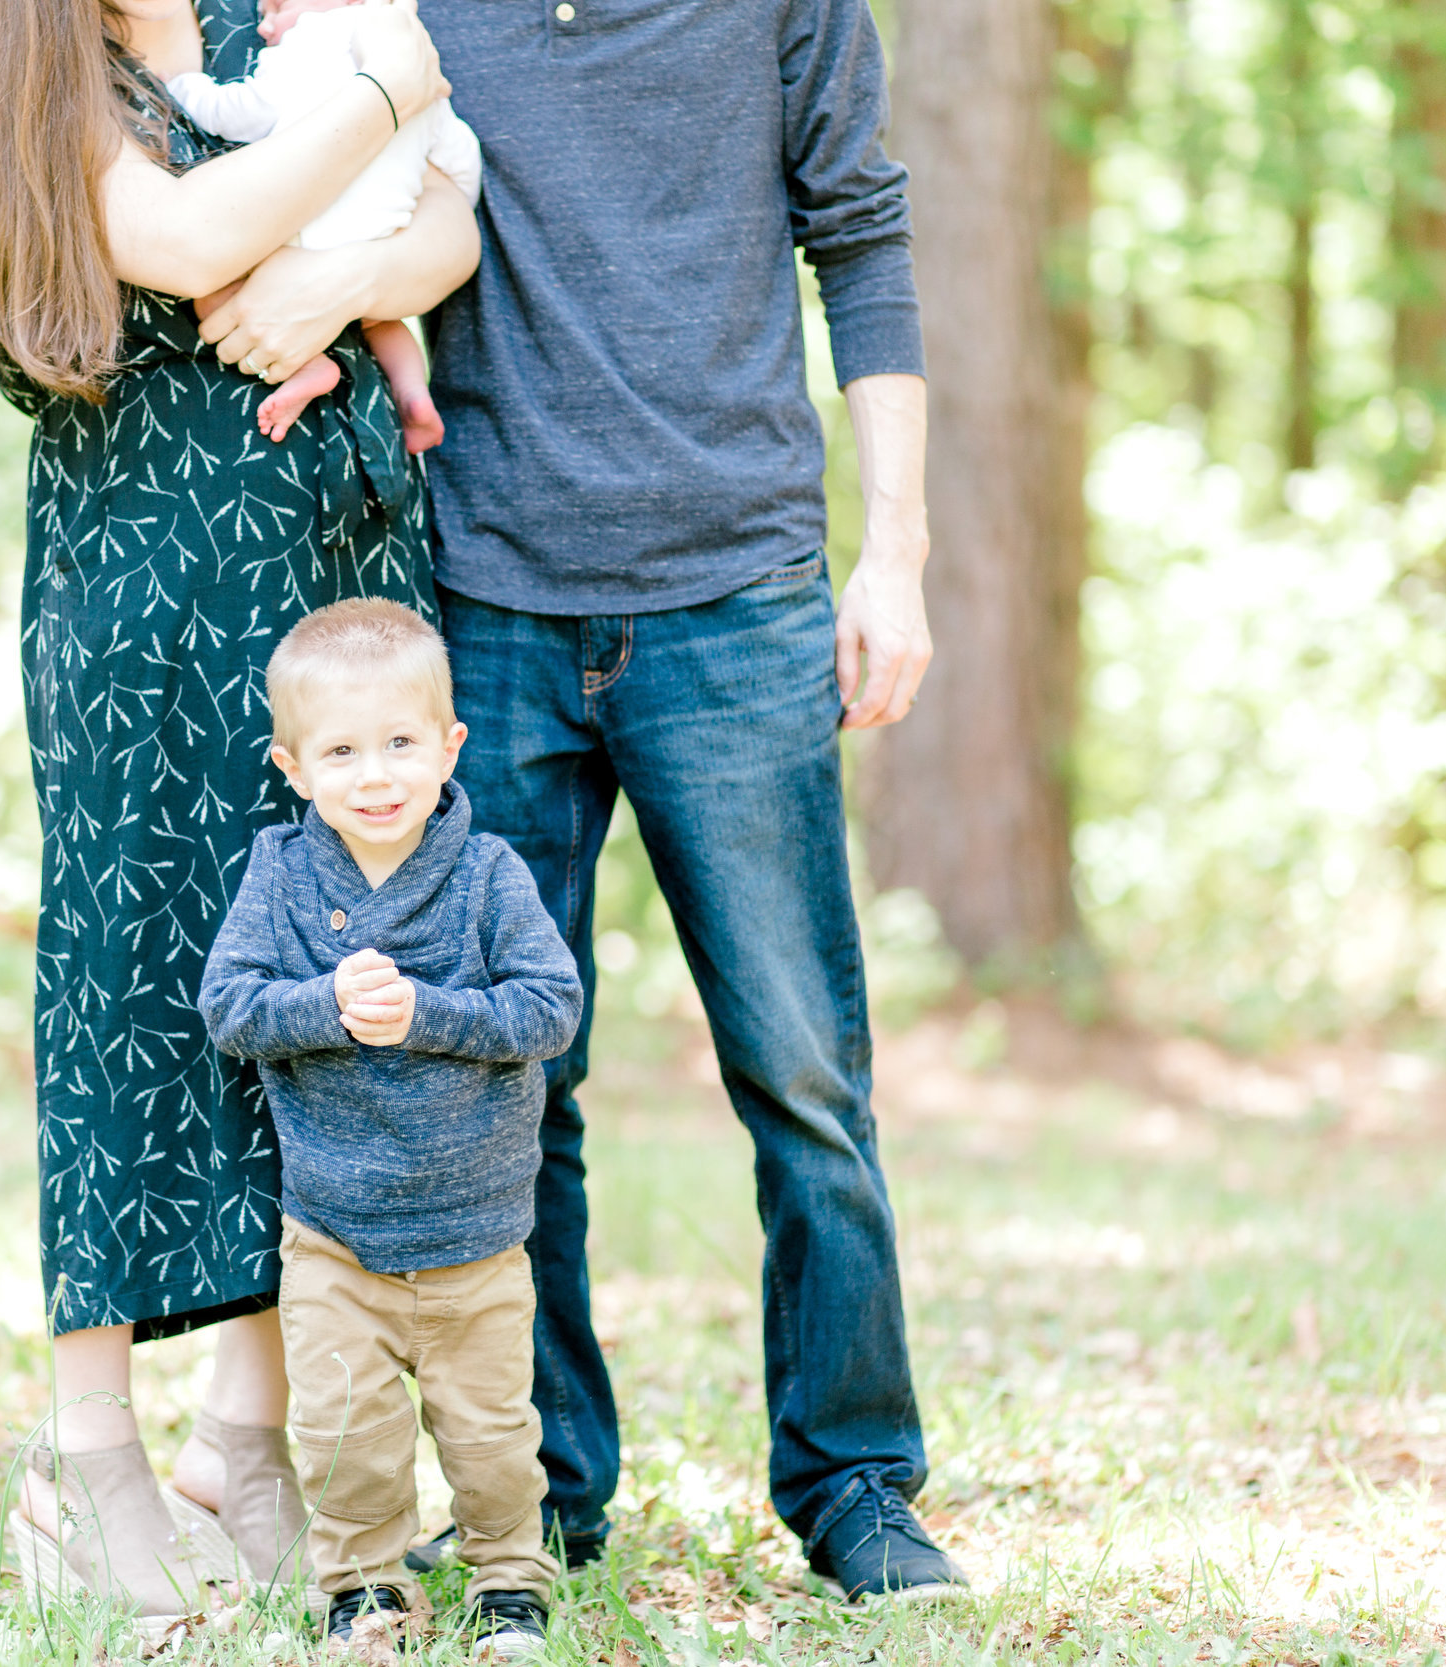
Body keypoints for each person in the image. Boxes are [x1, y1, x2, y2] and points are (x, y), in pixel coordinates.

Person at [0, 0, 478, 1616]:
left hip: (330, 589)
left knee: (311, 992)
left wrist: (351, 268)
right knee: (136, 989)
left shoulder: (250, 21)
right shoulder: (27, 54)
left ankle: (249, 1436)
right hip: (149, 594)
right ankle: (87, 1456)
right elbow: (195, 228)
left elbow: (453, 224)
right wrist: (389, 80)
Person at [395, 0, 968, 1605]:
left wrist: (898, 551)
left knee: (801, 1069)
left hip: (738, 594)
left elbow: (860, 236)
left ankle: (857, 1483)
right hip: (486, 597)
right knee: (513, 1073)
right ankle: (543, 1491)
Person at [199, 598, 580, 1655]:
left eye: (402, 742)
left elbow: (552, 1009)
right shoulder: (280, 874)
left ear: (449, 743)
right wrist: (324, 1003)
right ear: (292, 764)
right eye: (342, 749)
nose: (376, 774)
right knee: (344, 1434)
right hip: (334, 1230)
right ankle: (363, 1586)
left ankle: (508, 1576)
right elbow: (228, 1006)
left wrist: (429, 1012)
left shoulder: (487, 874)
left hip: (475, 1234)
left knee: (493, 1437)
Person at [166, 0, 482, 453]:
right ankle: (412, 392)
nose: (266, 23)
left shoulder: (309, 40)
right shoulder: (415, 59)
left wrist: (186, 88)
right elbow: (460, 155)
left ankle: (309, 366)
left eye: (276, 7)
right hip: (385, 235)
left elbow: (244, 111)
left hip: (299, 234)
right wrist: (442, 202)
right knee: (383, 321)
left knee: (205, 279)